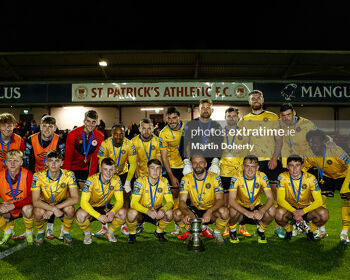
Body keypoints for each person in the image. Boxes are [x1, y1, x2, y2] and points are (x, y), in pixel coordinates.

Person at [238, 90, 284, 238]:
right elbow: (240, 142)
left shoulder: (272, 117)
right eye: (253, 99)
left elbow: (279, 140)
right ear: (249, 102)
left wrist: (275, 158)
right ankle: (242, 227)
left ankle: (278, 226)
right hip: (252, 162)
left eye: (258, 98)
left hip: (270, 160)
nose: (256, 100)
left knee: (274, 194)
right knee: (245, 192)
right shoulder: (244, 119)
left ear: (262, 100)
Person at [304, 129, 350, 243]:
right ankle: (321, 230)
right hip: (326, 177)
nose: (314, 146)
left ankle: (344, 233)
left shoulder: (336, 151)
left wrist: (346, 186)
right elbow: (304, 168)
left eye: (316, 143)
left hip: (344, 177)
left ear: (323, 142)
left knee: (347, 203)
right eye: (311, 143)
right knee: (319, 201)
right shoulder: (309, 153)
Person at [174, 154, 229, 245]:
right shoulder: (186, 178)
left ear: (206, 164)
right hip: (194, 209)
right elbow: (182, 201)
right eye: (195, 163)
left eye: (201, 162)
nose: (198, 165)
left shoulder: (215, 177)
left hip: (211, 209)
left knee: (225, 212)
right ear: (191, 165)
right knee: (177, 214)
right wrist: (188, 213)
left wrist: (210, 211)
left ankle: (216, 232)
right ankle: (192, 231)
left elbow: (220, 200)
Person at [276, 155, 329, 241]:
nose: (294, 169)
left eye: (297, 165)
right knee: (278, 214)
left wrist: (302, 212)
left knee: (324, 214)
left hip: (306, 209)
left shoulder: (310, 178)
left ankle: (310, 231)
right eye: (291, 165)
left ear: (302, 166)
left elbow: (319, 201)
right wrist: (295, 212)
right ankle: (289, 231)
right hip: (290, 209)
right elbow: (280, 200)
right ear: (287, 166)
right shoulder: (282, 177)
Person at [96, 124, 137, 236]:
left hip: (123, 173)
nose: (118, 136)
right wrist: (105, 175)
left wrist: (128, 181)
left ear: (124, 134)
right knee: (105, 198)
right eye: (116, 134)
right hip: (108, 173)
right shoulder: (105, 144)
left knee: (126, 197)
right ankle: (104, 225)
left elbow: (133, 164)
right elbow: (101, 163)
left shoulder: (130, 144)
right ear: (111, 134)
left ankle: (124, 225)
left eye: (121, 134)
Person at [31, 150, 79, 245]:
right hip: (45, 202)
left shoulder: (69, 175)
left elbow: (75, 198)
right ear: (46, 163)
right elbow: (35, 201)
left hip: (62, 202)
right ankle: (40, 232)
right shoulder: (37, 176)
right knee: (37, 211)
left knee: (70, 209)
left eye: (57, 161)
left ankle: (66, 232)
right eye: (50, 160)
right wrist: (52, 208)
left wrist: (54, 208)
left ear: (62, 163)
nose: (53, 164)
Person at [75, 157, 126, 245]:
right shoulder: (91, 180)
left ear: (114, 170)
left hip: (105, 208)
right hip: (91, 208)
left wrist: (113, 212)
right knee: (80, 215)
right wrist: (98, 216)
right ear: (100, 169)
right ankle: (88, 234)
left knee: (123, 213)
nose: (108, 173)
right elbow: (83, 202)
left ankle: (110, 233)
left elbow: (120, 201)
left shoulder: (116, 179)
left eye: (111, 169)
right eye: (105, 169)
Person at [228, 155, 275, 244]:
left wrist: (262, 211)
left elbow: (270, 198)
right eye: (247, 166)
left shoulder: (262, 176)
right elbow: (231, 200)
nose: (250, 170)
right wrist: (246, 212)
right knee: (232, 209)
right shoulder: (236, 177)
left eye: (253, 167)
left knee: (272, 209)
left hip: (256, 208)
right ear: (242, 167)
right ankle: (232, 230)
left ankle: (260, 231)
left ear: (257, 167)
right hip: (241, 209)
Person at [219, 107, 251, 237]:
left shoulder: (244, 133)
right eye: (229, 116)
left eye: (234, 116)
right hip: (224, 171)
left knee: (242, 200)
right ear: (225, 118)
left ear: (237, 117)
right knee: (227, 202)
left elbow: (248, 152)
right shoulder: (219, 133)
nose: (231, 118)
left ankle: (242, 227)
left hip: (239, 171)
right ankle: (229, 226)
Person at [126, 159, 174, 244]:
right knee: (131, 213)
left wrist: (163, 209)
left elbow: (170, 202)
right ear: (147, 170)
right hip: (142, 211)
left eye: (158, 168)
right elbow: (133, 203)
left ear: (161, 170)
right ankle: (132, 234)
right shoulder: (140, 181)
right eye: (152, 168)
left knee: (169, 213)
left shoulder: (164, 181)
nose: (155, 171)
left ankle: (159, 232)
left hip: (156, 211)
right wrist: (147, 211)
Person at [63, 110, 104, 189]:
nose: (91, 125)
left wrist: (90, 178)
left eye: (93, 122)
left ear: (97, 123)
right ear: (84, 121)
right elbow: (68, 157)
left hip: (85, 168)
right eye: (88, 121)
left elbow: (95, 159)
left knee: (87, 191)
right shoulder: (73, 134)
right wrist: (66, 177)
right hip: (72, 167)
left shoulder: (100, 137)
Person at [159, 107, 185, 235]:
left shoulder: (188, 127)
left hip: (188, 166)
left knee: (190, 196)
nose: (172, 121)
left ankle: (194, 224)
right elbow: (164, 157)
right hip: (174, 167)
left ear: (179, 117)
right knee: (175, 198)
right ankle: (178, 225)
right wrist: (171, 175)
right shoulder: (163, 133)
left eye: (174, 117)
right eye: (169, 118)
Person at [0, 149, 34, 245]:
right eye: (10, 161)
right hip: (9, 209)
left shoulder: (28, 174)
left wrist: (14, 205)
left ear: (21, 162)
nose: (12, 164)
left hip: (24, 208)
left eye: (16, 160)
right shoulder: (0, 176)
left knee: (28, 208)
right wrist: (1, 204)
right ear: (6, 162)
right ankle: (7, 231)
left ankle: (29, 232)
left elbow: (32, 197)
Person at [182, 98, 222, 176]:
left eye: (208, 108)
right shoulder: (190, 125)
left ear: (212, 110)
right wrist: (186, 161)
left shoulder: (217, 126)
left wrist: (216, 161)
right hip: (195, 164)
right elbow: (183, 144)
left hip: (211, 164)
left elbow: (221, 145)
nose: (205, 110)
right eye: (203, 108)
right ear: (199, 110)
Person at [279, 103, 317, 169]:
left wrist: (329, 140)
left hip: (304, 164)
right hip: (286, 165)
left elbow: (319, 136)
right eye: (283, 116)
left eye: (288, 115)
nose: (286, 118)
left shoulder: (307, 124)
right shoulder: (278, 123)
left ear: (294, 113)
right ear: (280, 116)